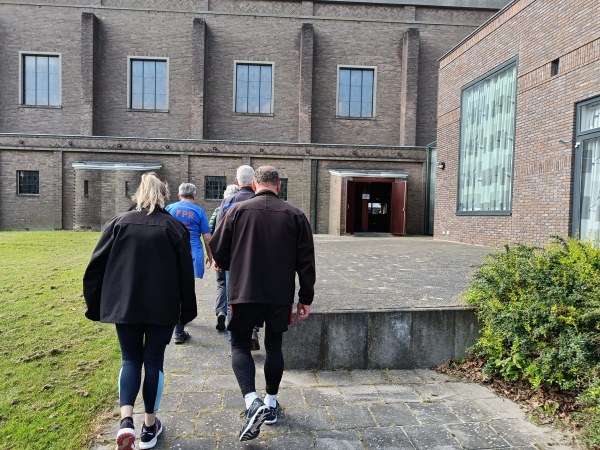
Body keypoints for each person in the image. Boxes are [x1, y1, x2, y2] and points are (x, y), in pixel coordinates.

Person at [83, 172, 197, 450]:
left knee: (130, 359)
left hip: (125, 304)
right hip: (162, 306)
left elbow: (95, 267)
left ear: (137, 195)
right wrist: (187, 311)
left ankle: (125, 421)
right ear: (164, 196)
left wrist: (96, 304)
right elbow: (185, 274)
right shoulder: (174, 227)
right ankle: (148, 428)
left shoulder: (118, 223)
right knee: (154, 361)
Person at [209, 166, 315, 442]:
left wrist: (232, 262)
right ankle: (270, 403)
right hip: (279, 294)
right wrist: (305, 298)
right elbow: (306, 261)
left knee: (240, 345)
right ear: (279, 186)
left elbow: (218, 250)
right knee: (274, 346)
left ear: (254, 185)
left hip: (244, 291)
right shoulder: (296, 215)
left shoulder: (236, 211)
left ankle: (251, 401)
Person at [214, 165, 261, 350]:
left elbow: (220, 233)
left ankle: (234, 342)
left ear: (236, 181)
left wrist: (218, 258)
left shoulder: (228, 202)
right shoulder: (260, 200)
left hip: (233, 260)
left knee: (232, 297)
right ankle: (254, 329)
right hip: (257, 258)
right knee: (255, 295)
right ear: (254, 181)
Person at [165, 183, 213, 343]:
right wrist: (210, 255)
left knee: (173, 288)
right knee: (185, 289)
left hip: (171, 252)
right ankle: (179, 330)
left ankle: (173, 322)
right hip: (191, 253)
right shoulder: (198, 211)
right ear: (194, 196)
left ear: (179, 196)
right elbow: (207, 237)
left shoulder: (169, 209)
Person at [210, 184, 240, 331]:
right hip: (237, 255)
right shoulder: (241, 210)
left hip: (221, 254)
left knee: (221, 283)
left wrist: (214, 255)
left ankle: (221, 311)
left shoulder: (219, 210)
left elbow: (211, 231)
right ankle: (234, 321)